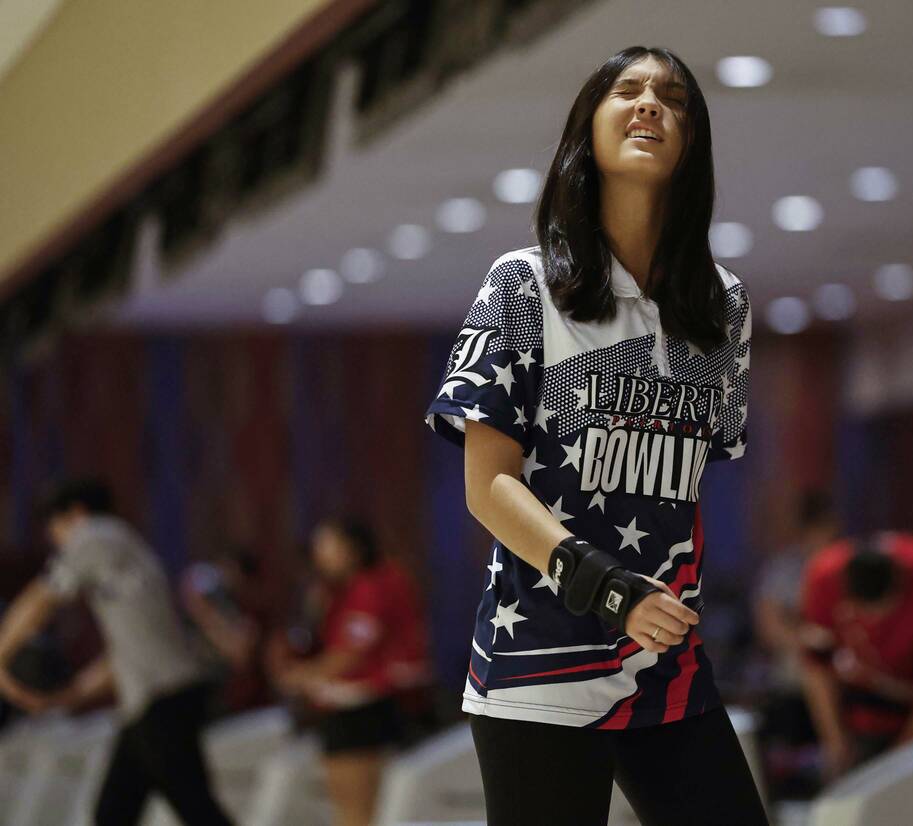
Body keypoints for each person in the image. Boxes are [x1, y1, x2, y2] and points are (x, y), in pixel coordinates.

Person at [423, 45, 767, 826]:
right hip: (537, 668)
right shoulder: (522, 283)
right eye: (628, 90)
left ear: (692, 143)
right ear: (589, 127)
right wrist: (608, 587)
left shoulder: (723, 310)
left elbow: (685, 486)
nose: (650, 104)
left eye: (673, 98)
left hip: (669, 668)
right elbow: (488, 486)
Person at [0, 478, 235, 826]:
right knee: (114, 813)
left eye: (54, 526)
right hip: (150, 701)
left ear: (76, 513)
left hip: (162, 699)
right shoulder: (123, 553)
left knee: (195, 808)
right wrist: (66, 697)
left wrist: (2, 652)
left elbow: (41, 598)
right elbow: (122, 655)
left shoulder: (97, 534)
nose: (56, 539)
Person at [269, 516, 430, 826]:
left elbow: (351, 653)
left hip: (365, 707)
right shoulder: (341, 589)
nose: (320, 555)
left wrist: (301, 677)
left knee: (356, 812)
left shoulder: (374, 584)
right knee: (348, 809)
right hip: (353, 705)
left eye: (327, 546)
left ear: (353, 547)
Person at [797, 531, 913, 780]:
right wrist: (835, 740)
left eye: (881, 610)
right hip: (868, 711)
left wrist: (909, 745)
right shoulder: (823, 575)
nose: (873, 620)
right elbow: (817, 664)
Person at [750, 489, 840, 795]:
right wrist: (805, 638)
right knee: (793, 773)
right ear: (806, 530)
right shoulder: (785, 570)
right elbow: (769, 625)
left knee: (839, 764)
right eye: (821, 530)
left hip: (842, 685)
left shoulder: (845, 569)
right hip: (794, 687)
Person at [180, 543, 273, 715]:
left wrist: (208, 617)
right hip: (189, 679)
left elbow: (240, 654)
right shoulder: (207, 583)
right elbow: (192, 586)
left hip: (218, 688)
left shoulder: (245, 613)